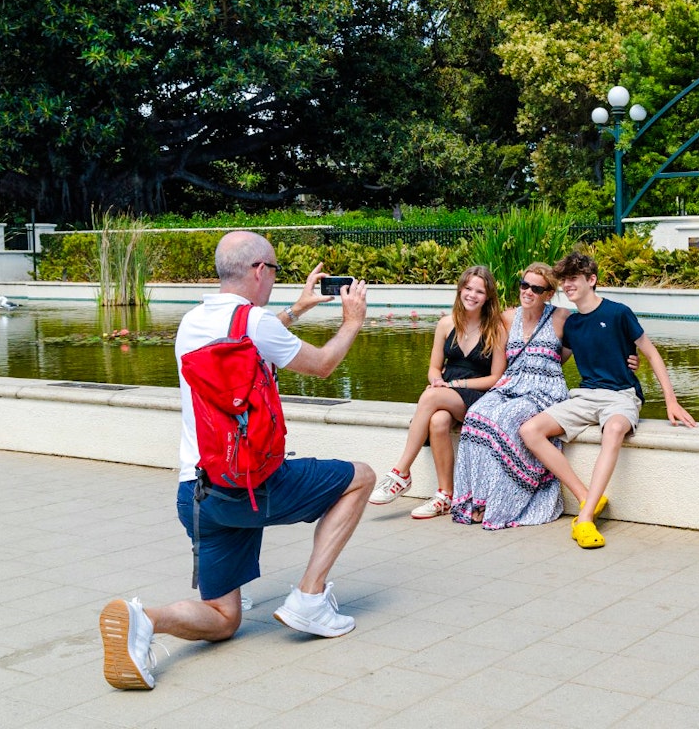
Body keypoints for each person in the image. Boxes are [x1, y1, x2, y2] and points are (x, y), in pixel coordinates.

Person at [100, 230, 375, 691]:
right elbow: (324, 363)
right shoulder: (256, 323)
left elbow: (252, 337)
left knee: (224, 619)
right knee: (360, 478)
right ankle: (309, 598)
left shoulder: (192, 323)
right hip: (250, 486)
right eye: (275, 271)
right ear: (258, 270)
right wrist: (352, 321)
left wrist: (299, 309)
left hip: (197, 491)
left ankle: (142, 619)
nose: (273, 279)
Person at [520, 251, 697, 549]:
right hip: (585, 396)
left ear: (592, 280)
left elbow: (650, 353)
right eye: (564, 280)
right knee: (529, 431)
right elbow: (554, 361)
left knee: (614, 429)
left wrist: (671, 400)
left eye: (574, 279)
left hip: (620, 396)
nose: (568, 285)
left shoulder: (618, 313)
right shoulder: (572, 324)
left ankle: (585, 519)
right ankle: (588, 496)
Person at [369, 265, 505, 518]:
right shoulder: (445, 324)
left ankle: (401, 473)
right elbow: (434, 367)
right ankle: (445, 496)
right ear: (460, 289)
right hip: (447, 392)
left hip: (478, 395)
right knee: (438, 420)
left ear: (488, 297)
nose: (472, 295)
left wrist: (452, 385)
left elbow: (496, 378)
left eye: (479, 291)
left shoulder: (495, 329)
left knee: (431, 396)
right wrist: (436, 380)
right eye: (468, 288)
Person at [449, 263, 571, 528]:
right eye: (524, 285)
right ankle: (479, 499)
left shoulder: (562, 317)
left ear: (549, 293)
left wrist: (629, 360)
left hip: (544, 389)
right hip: (510, 384)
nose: (527, 291)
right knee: (476, 415)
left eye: (536, 288)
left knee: (507, 417)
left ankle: (504, 503)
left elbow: (578, 352)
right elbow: (496, 361)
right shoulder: (507, 318)